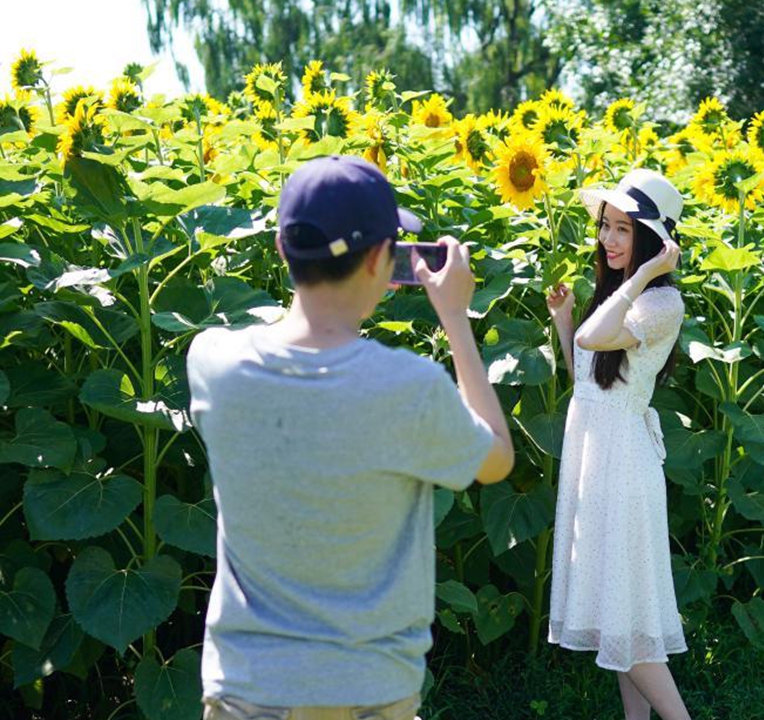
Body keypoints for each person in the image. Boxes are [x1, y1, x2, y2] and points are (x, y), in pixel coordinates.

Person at [186, 154, 513, 720]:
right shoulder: (407, 387)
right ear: (381, 261)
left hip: (247, 687)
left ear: (283, 250)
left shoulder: (213, 362)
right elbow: (496, 460)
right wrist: (456, 319)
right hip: (367, 689)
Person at [545, 168, 693, 720]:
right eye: (605, 226)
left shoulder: (660, 304)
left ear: (652, 241)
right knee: (619, 616)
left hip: (622, 466)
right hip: (595, 458)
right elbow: (587, 374)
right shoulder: (615, 299)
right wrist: (563, 320)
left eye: (623, 230)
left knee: (624, 622)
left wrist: (649, 272)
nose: (607, 239)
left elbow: (594, 339)